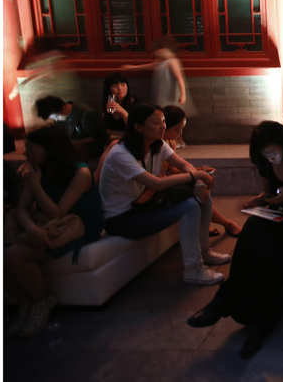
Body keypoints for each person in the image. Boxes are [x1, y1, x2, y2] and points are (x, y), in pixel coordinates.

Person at [188, 121, 283, 359]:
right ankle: (240, 307)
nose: (270, 157)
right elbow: (268, 193)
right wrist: (258, 201)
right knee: (252, 230)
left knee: (271, 252)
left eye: (272, 151)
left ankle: (231, 306)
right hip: (280, 212)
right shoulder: (267, 163)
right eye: (265, 154)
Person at [98, 104, 229, 285]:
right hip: (122, 218)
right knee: (189, 207)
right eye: (156, 123)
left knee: (202, 195)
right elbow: (156, 183)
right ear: (138, 127)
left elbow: (183, 164)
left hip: (144, 204)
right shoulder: (121, 154)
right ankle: (193, 270)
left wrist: (198, 181)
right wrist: (195, 176)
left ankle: (205, 252)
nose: (163, 127)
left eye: (164, 122)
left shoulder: (156, 144)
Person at [5, 126, 101, 337]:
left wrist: (35, 185)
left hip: (77, 228)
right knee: (5, 253)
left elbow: (58, 212)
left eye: (31, 148)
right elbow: (21, 208)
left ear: (50, 148)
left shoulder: (81, 173)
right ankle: (25, 303)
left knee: (14, 256)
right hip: (47, 226)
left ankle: (41, 301)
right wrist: (32, 228)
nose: (26, 153)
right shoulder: (38, 170)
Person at [162, 105, 242, 237]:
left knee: (201, 186)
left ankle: (210, 223)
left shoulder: (170, 143)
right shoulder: (159, 145)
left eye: (182, 129)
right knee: (198, 189)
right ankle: (225, 223)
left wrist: (199, 170)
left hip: (169, 180)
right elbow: (165, 174)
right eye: (177, 129)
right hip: (161, 185)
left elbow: (173, 168)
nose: (180, 134)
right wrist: (195, 174)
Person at [35, 95, 107, 159]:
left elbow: (100, 138)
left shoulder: (86, 114)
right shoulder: (64, 116)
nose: (54, 120)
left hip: (92, 153)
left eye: (53, 117)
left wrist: (73, 143)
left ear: (58, 111)